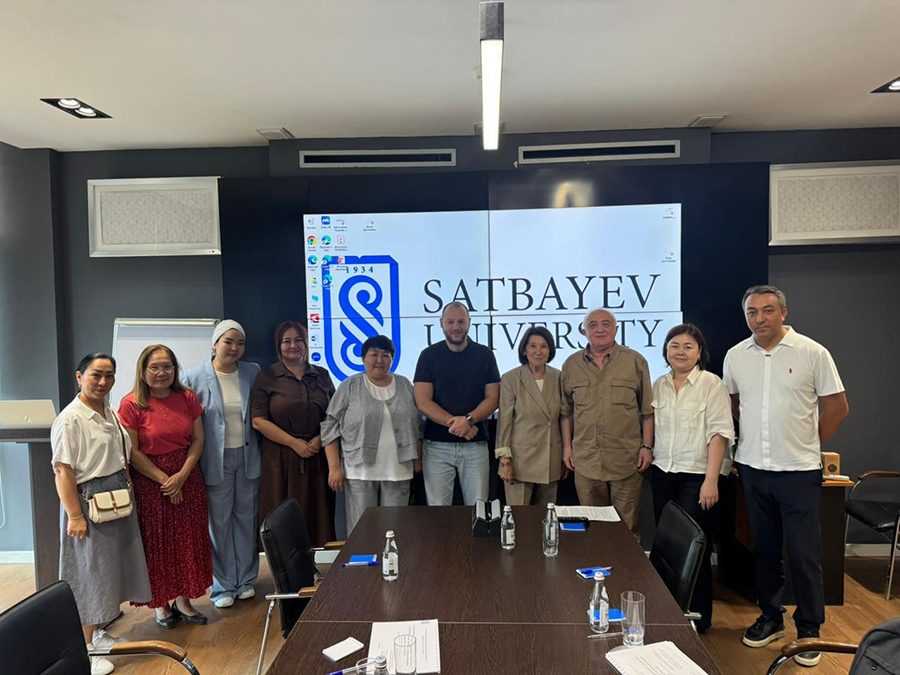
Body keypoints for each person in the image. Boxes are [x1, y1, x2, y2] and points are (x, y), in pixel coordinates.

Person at [724, 285, 849, 668]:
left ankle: (809, 629)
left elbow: (837, 408)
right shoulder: (735, 355)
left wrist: (806, 442)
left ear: (783, 313)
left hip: (798, 472)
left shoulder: (812, 352)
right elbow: (734, 404)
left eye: (767, 310)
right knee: (764, 550)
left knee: (803, 554)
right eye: (752, 312)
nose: (759, 318)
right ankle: (771, 617)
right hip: (753, 469)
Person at [51, 353, 152, 675]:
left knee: (110, 571)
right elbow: (62, 470)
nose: (103, 382)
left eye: (109, 375)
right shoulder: (71, 418)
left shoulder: (108, 411)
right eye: (96, 375)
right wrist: (75, 516)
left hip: (115, 497)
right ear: (79, 377)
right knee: (89, 573)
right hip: (89, 501)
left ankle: (98, 633)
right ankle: (85, 650)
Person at [119, 344, 212, 628]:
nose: (162, 373)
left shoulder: (187, 397)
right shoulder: (131, 403)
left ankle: (184, 600)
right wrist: (165, 480)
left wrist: (181, 476)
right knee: (157, 543)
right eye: (155, 367)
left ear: (175, 369)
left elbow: (198, 440)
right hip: (150, 482)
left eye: (167, 367)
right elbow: (132, 451)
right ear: (143, 370)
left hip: (188, 476)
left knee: (188, 540)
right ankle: (161, 604)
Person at [650, 323, 734, 633]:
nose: (680, 351)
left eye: (688, 346)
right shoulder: (658, 385)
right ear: (666, 351)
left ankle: (697, 618)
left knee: (693, 547)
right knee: (668, 546)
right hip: (663, 473)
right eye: (674, 346)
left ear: (700, 353)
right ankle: (670, 613)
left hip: (697, 478)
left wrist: (711, 481)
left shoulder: (712, 384)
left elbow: (719, 434)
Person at [182, 320, 262, 609]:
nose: (234, 348)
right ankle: (222, 586)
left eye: (240, 343)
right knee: (218, 524)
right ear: (215, 344)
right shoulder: (192, 377)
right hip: (214, 460)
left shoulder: (252, 371)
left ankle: (246, 580)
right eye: (228, 341)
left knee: (246, 520)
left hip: (248, 457)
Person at [561, 308, 653, 536]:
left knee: (627, 530)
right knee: (593, 530)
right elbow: (566, 412)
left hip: (627, 461)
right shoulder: (571, 365)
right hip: (586, 462)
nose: (600, 329)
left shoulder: (635, 361)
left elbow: (646, 411)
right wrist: (567, 447)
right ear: (584, 331)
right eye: (593, 325)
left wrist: (647, 446)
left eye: (606, 324)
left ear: (616, 329)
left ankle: (627, 562)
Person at [321, 335, 421, 533]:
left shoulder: (405, 385)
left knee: (395, 531)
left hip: (398, 470)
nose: (379, 360)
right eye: (374, 354)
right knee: (362, 531)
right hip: (360, 471)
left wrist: (417, 459)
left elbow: (418, 424)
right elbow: (330, 426)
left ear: (392, 359)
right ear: (363, 358)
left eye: (386, 355)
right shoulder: (350, 386)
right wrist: (334, 468)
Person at [251, 321, 336, 546]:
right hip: (280, 458)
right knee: (282, 515)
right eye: (286, 341)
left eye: (298, 340)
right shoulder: (267, 377)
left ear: (306, 343)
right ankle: (286, 563)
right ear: (278, 346)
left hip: (317, 454)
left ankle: (319, 563)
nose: (293, 345)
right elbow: (258, 421)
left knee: (319, 513)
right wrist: (294, 443)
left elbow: (335, 415)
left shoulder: (322, 375)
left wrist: (320, 440)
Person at [414, 302, 501, 505]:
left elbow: (493, 398)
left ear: (469, 323)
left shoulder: (485, 355)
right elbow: (422, 401)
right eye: (450, 322)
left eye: (461, 321)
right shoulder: (428, 356)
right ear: (441, 323)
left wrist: (468, 420)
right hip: (436, 447)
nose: (456, 326)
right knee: (438, 511)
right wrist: (460, 425)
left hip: (475, 446)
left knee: (478, 508)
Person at [495, 326, 567, 506]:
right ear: (524, 350)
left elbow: (565, 417)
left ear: (550, 350)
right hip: (519, 461)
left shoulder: (559, 377)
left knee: (547, 515)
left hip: (550, 457)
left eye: (543, 346)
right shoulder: (511, 378)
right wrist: (505, 460)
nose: (538, 351)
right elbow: (505, 421)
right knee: (519, 516)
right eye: (533, 346)